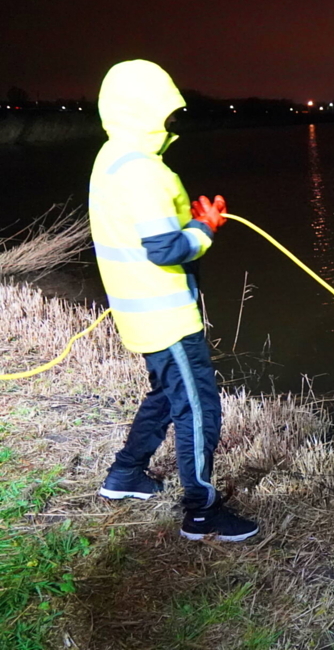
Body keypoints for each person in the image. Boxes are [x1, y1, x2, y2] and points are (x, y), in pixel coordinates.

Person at [88, 59, 258, 542]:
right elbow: (164, 248)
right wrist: (204, 230)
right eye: (166, 110)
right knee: (199, 408)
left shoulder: (111, 157)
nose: (171, 119)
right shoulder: (143, 170)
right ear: (148, 111)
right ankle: (201, 511)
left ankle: (125, 477)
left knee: (166, 395)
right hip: (165, 315)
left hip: (137, 311)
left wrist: (192, 224)